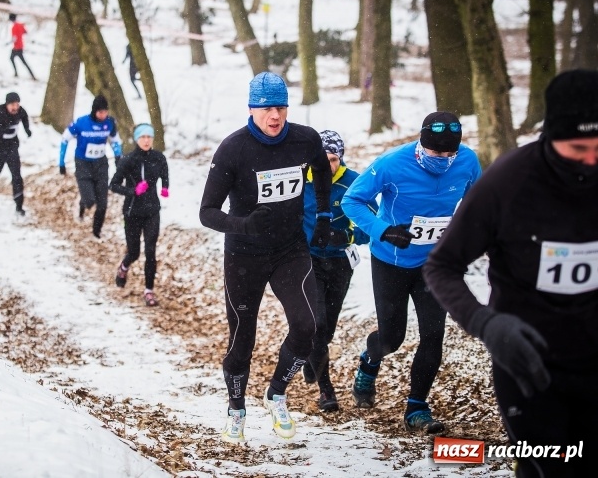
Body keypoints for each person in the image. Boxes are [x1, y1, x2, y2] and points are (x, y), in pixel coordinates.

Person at [424, 70, 598, 476]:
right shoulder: (508, 183)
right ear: (550, 136)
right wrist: (486, 323)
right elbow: (442, 266)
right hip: (529, 366)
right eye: (579, 148)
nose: (592, 160)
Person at [199, 71, 334, 444]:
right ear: (251, 109)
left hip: (290, 249)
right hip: (244, 255)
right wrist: (242, 225)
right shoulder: (233, 149)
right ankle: (236, 408)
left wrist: (324, 215)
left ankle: (276, 394)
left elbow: (322, 171)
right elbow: (207, 212)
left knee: (307, 327)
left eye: (280, 107)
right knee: (242, 340)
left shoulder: (305, 139)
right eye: (266, 108)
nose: (274, 116)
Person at [340, 111, 481, 434]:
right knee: (392, 338)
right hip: (391, 261)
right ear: (421, 143)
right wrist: (384, 230)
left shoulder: (468, 161)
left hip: (435, 264)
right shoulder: (392, 164)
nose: (442, 159)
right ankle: (370, 360)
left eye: (449, 153)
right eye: (435, 152)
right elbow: (352, 200)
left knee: (433, 334)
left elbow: (479, 202)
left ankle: (417, 407)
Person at [301, 130, 377, 412]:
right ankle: (326, 390)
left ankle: (312, 355)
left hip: (340, 261)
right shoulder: (301, 181)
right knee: (317, 324)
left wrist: (346, 235)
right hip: (308, 260)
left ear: (340, 159)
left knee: (327, 328)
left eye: (333, 160)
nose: (327, 166)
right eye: (321, 160)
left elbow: (371, 224)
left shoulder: (354, 183)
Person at [110, 123, 169, 306]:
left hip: (152, 211)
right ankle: (123, 267)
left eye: (149, 137)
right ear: (137, 139)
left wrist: (165, 187)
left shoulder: (159, 157)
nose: (146, 140)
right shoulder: (128, 160)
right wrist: (133, 191)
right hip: (132, 211)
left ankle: (149, 291)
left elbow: (164, 173)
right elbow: (113, 185)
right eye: (142, 137)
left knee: (150, 251)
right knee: (134, 252)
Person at [59, 94, 122, 238]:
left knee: (102, 203)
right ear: (94, 111)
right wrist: (61, 162)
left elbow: (115, 141)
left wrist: (118, 157)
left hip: (101, 164)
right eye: (100, 112)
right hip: (83, 163)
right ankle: (82, 203)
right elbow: (65, 139)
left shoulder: (110, 123)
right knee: (89, 201)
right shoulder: (81, 122)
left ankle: (96, 232)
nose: (103, 115)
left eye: (105, 112)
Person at [0, 91, 31, 216]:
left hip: (12, 148)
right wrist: (2, 131)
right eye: (12, 105)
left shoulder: (20, 111)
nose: (15, 108)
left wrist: (27, 129)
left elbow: (24, 117)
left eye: (17, 104)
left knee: (17, 177)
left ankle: (19, 205)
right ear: (7, 104)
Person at [8, 13, 35, 80]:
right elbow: (25, 32)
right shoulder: (20, 25)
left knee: (14, 59)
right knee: (18, 60)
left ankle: (16, 73)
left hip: (16, 47)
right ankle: (31, 75)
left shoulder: (14, 27)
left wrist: (10, 42)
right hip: (21, 46)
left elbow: (14, 38)